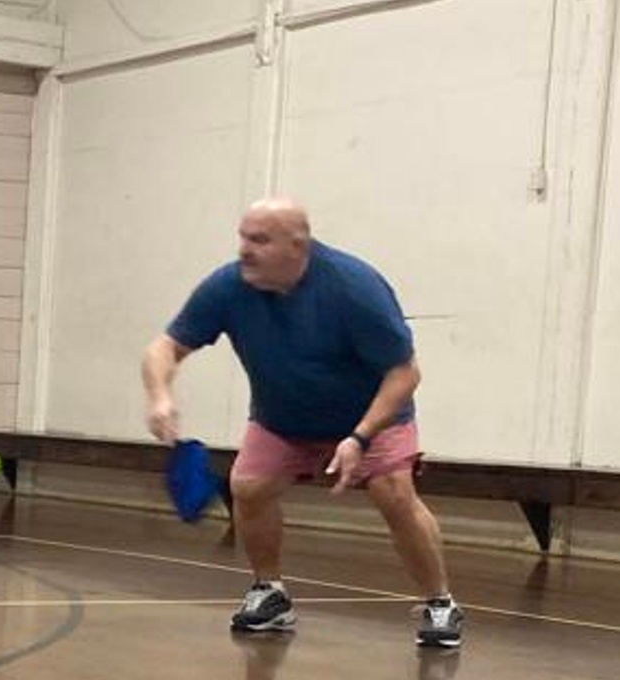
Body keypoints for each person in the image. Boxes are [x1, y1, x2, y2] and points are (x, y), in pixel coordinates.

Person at [141, 198, 462, 646]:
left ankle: (440, 603)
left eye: (259, 240)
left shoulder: (353, 287)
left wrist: (359, 436)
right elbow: (165, 347)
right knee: (249, 487)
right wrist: (160, 396)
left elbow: (406, 373)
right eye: (243, 238)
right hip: (282, 418)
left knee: (394, 492)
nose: (245, 250)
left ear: (298, 245)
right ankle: (269, 592)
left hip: (370, 417)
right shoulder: (229, 287)